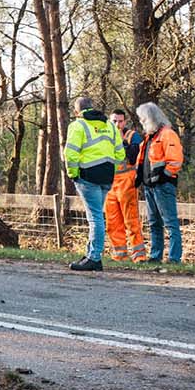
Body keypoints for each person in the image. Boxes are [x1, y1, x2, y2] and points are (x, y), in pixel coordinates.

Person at [64, 95, 125, 272]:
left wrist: (73, 174)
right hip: (106, 177)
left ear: (77, 111)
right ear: (92, 107)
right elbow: (120, 155)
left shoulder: (78, 125)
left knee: (95, 217)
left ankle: (94, 258)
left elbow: (71, 154)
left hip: (87, 176)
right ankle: (91, 253)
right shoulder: (109, 126)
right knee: (97, 215)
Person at [136, 101, 185, 264]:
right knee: (154, 222)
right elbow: (143, 161)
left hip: (163, 185)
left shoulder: (167, 135)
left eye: (143, 119)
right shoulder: (149, 138)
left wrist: (164, 176)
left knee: (170, 222)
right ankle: (155, 256)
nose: (141, 122)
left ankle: (174, 258)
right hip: (150, 186)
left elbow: (175, 161)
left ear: (151, 118)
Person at [104, 108, 147, 263]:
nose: (117, 124)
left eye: (120, 121)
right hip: (109, 184)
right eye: (114, 121)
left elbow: (135, 153)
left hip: (127, 182)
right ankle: (119, 255)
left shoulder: (132, 136)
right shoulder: (104, 136)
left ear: (125, 122)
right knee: (113, 221)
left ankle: (139, 255)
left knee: (131, 219)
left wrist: (121, 143)